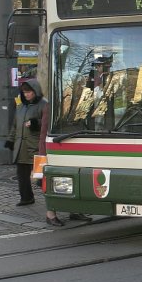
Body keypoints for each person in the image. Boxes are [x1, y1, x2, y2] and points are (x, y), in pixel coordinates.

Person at [37, 89, 91, 226]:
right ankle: (50, 214)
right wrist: (43, 154)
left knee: (74, 181)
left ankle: (75, 211)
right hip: (57, 148)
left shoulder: (78, 104)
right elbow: (44, 133)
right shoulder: (51, 107)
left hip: (74, 147)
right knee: (52, 183)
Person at [7, 80, 47, 208]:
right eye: (24, 92)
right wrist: (11, 140)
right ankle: (26, 197)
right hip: (21, 147)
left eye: (28, 92)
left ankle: (51, 201)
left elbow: (48, 123)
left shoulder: (44, 105)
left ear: (35, 91)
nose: (26, 95)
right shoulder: (21, 107)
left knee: (41, 176)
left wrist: (36, 123)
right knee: (22, 175)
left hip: (36, 147)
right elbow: (15, 126)